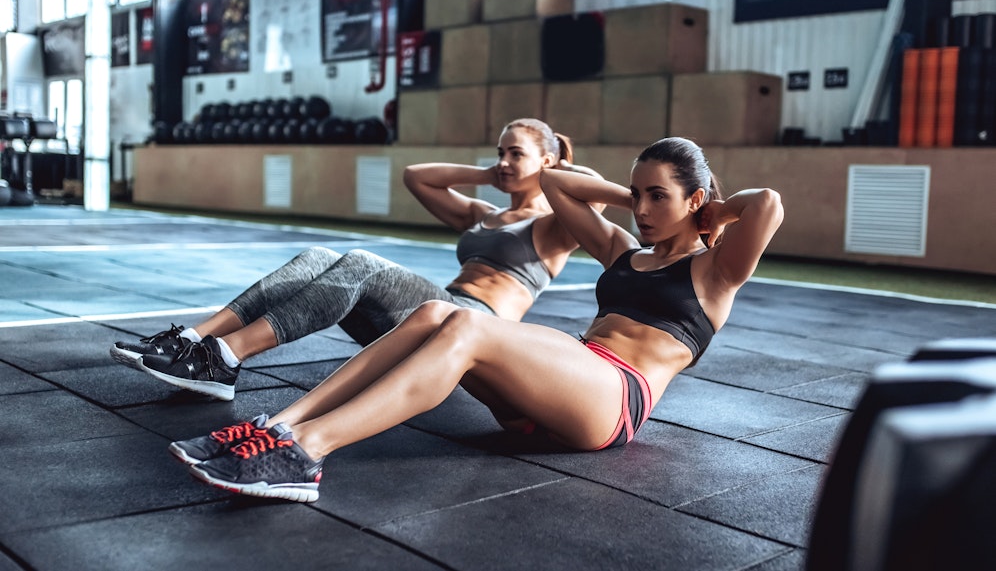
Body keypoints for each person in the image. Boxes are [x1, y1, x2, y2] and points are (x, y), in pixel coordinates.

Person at [174, 137, 784, 503]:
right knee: (437, 310)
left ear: (696, 200)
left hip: (611, 400)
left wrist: (713, 214)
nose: (645, 208)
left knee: (466, 326)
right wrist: (633, 197)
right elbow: (554, 181)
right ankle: (278, 425)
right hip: (551, 389)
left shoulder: (716, 273)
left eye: (659, 196)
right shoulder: (627, 250)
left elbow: (768, 205)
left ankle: (305, 452)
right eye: (638, 194)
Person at [111, 118, 599, 401]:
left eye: (515, 154)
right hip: (433, 314)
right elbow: (416, 177)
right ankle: (197, 339)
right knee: (319, 255)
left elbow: (591, 189)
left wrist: (544, 170)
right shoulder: (483, 212)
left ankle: (227, 357)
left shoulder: (555, 226)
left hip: (480, 327)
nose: (504, 162)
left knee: (363, 262)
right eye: (500, 152)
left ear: (550, 162)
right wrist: (490, 172)